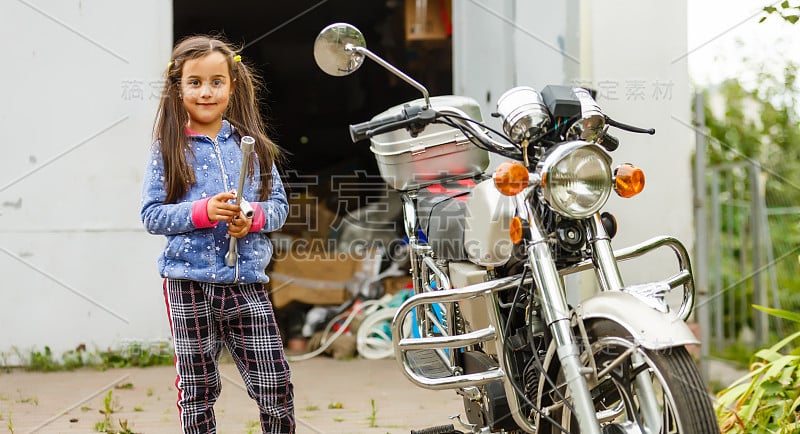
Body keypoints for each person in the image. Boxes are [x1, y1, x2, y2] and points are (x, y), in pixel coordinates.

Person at [140, 35, 295, 434]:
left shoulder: (255, 148)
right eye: (194, 82)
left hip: (247, 283)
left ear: (232, 85)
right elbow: (153, 215)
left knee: (275, 385)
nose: (206, 92)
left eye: (216, 81)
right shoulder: (168, 148)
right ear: (178, 88)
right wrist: (204, 211)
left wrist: (250, 218)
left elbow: (278, 207)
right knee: (197, 389)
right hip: (187, 283)